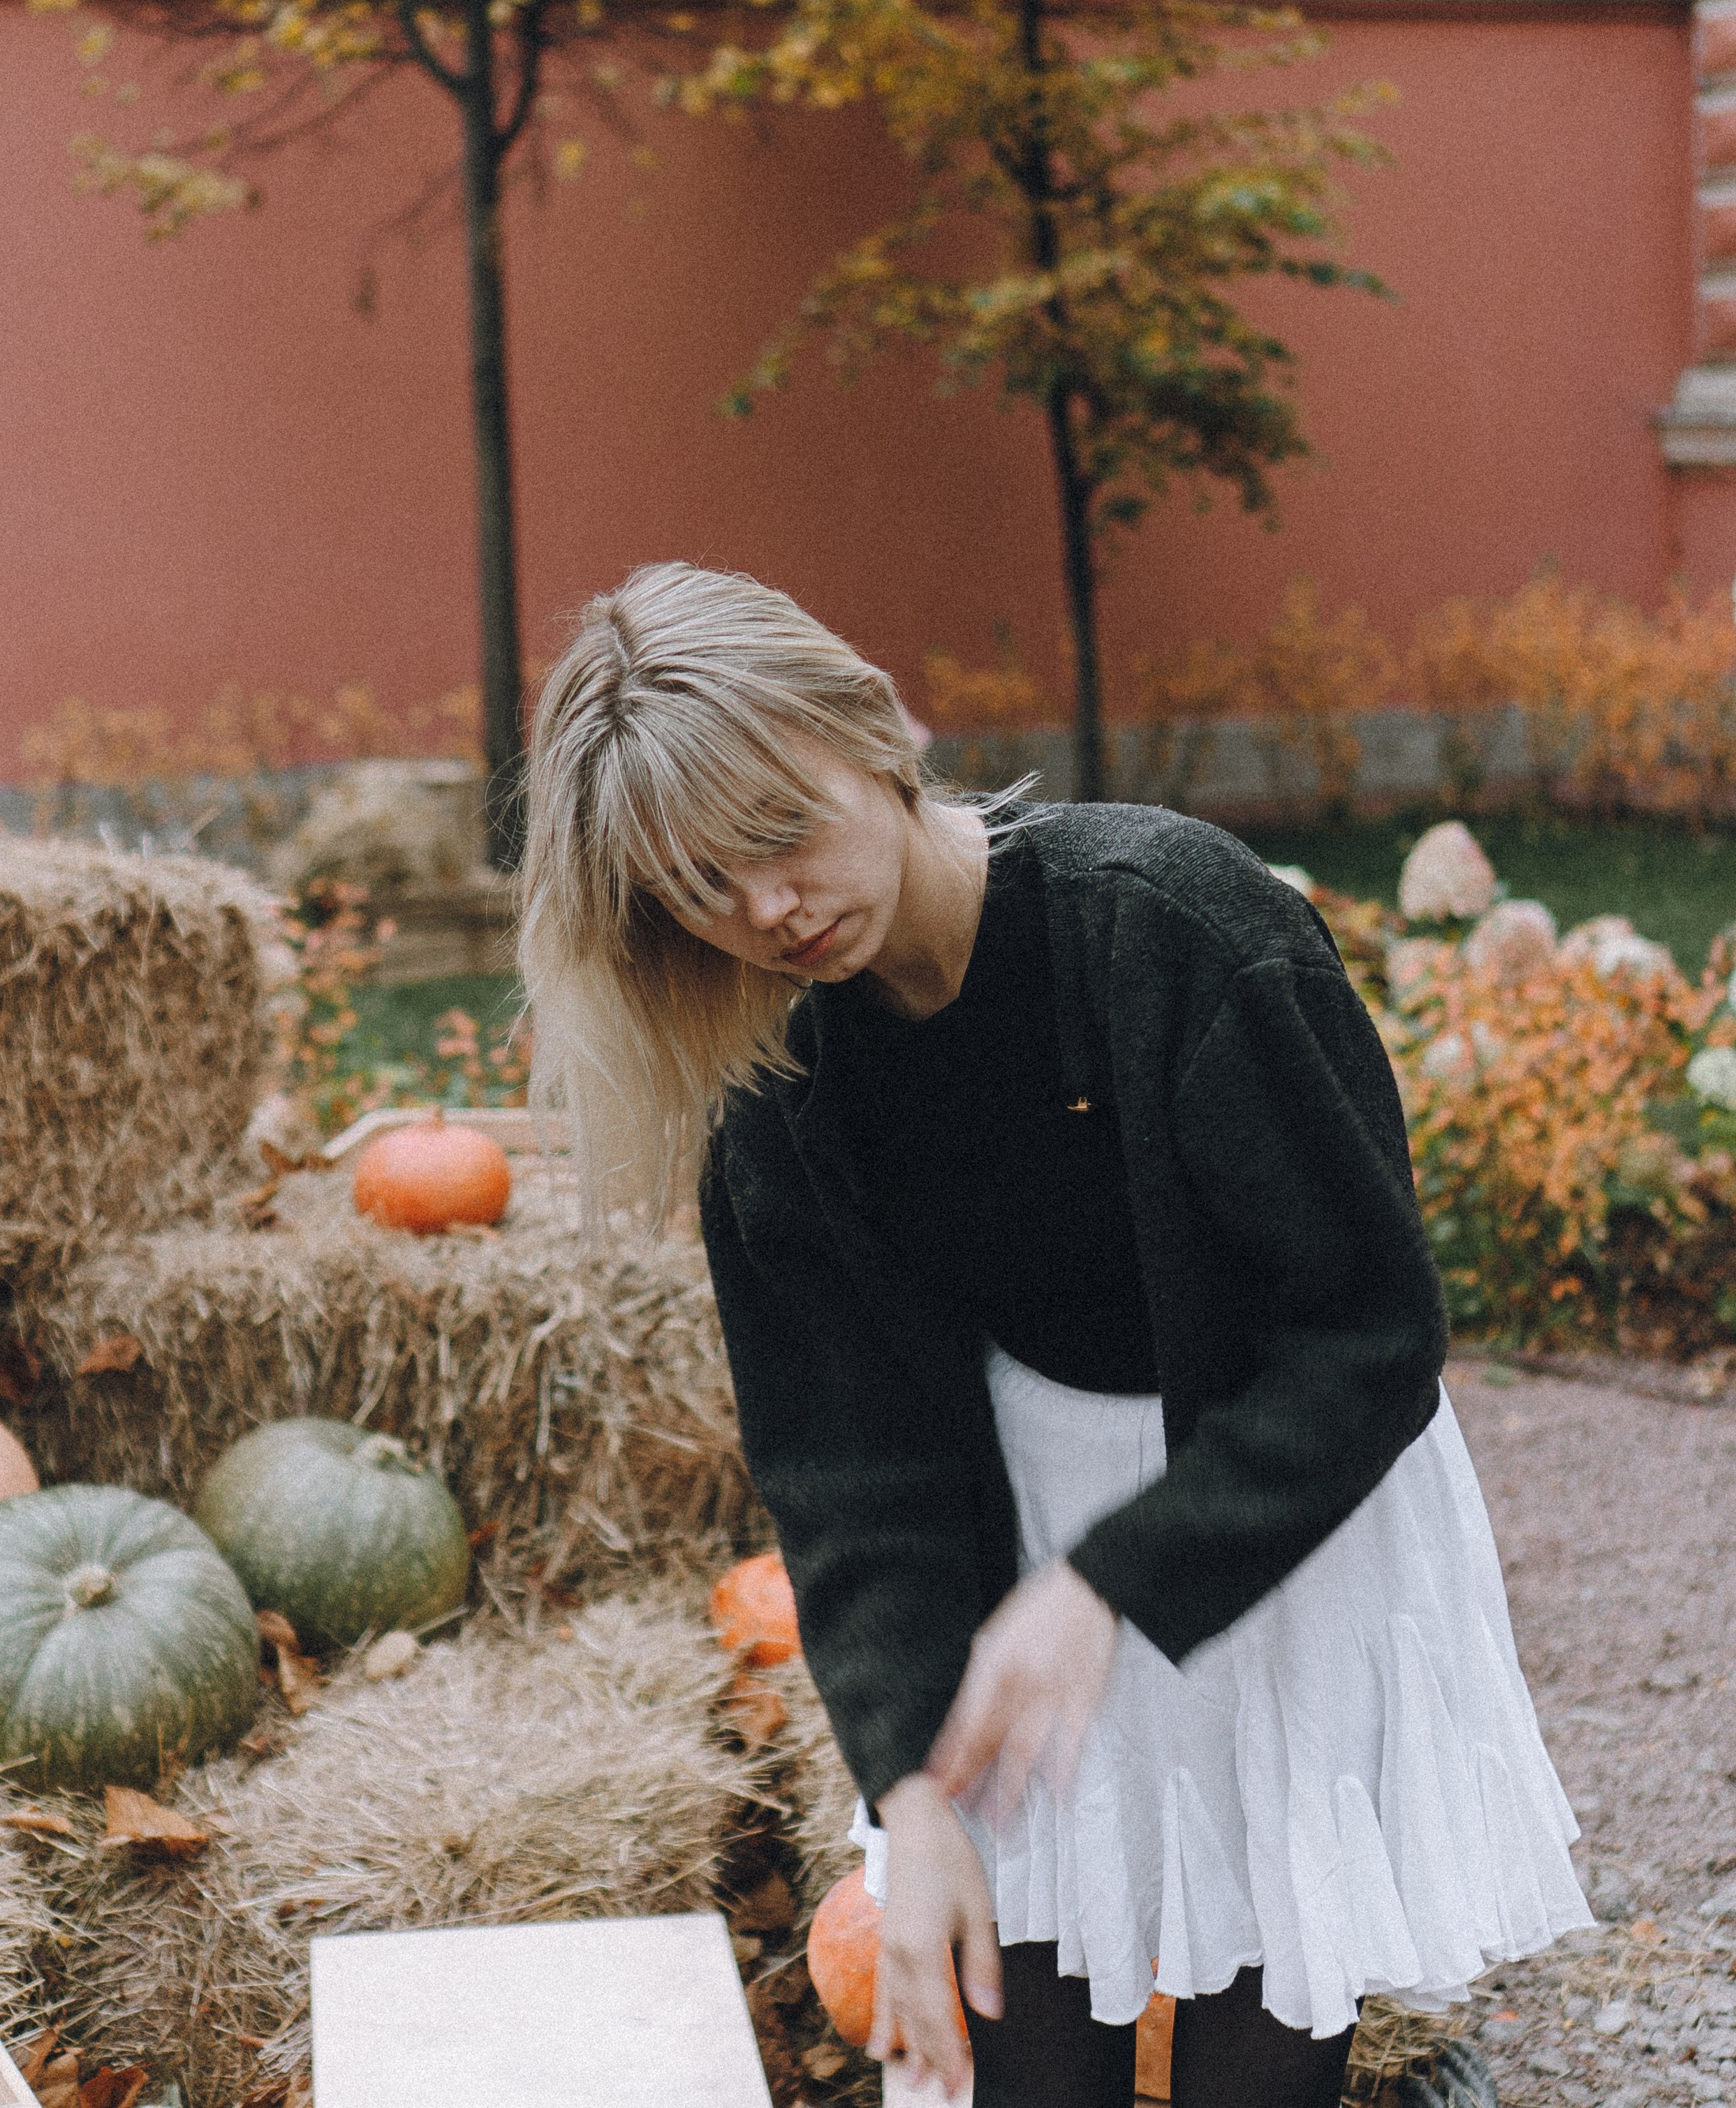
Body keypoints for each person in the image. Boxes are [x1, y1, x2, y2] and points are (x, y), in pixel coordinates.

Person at [519, 563, 1592, 2108]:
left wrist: (1107, 1588)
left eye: (776, 835)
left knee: (1249, 2030)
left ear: (875, 732)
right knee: (1019, 2048)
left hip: (1270, 1501)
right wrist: (910, 1786)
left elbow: (1365, 1334)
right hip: (1014, 1528)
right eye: (698, 889)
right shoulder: (780, 1091)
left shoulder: (1170, 931)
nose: (765, 908)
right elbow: (849, 1471)